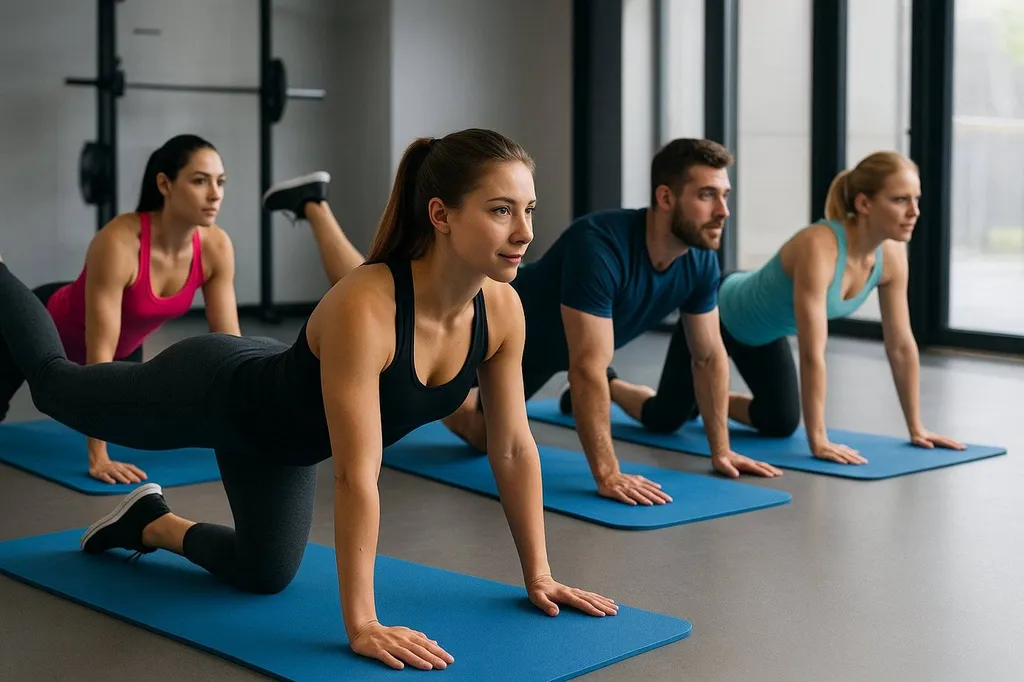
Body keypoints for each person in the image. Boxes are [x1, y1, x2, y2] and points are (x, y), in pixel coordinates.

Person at [0, 128, 617, 673]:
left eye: (529, 210)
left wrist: (540, 573)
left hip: (282, 443)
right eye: (502, 210)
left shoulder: (502, 309)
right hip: (215, 392)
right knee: (56, 385)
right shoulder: (368, 306)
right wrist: (362, 623)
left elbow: (510, 446)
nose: (526, 232)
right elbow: (355, 475)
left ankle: (148, 523)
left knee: (264, 574)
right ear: (441, 214)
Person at [439, 138, 782, 507]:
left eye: (725, 195)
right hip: (481, 332)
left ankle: (453, 401)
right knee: (438, 413)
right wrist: (608, 473)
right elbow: (587, 369)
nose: (723, 211)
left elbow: (709, 357)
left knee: (485, 437)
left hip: (541, 356)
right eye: (707, 196)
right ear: (665, 198)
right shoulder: (599, 244)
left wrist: (722, 452)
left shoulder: (699, 260)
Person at [605, 150, 965, 463]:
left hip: (764, 333)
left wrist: (918, 428)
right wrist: (818, 440)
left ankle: (706, 398)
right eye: (901, 200)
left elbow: (901, 345)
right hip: (722, 314)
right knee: (664, 418)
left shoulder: (892, 256)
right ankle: (610, 385)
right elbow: (813, 354)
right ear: (864, 203)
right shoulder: (819, 247)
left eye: (916, 199)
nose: (914, 211)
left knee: (779, 421)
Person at [0, 134, 241, 485]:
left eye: (220, 182)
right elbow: (99, 352)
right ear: (165, 183)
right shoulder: (119, 241)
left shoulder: (216, 246)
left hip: (123, 348)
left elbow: (229, 345)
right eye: (200, 181)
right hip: (46, 325)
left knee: (140, 427)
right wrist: (99, 457)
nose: (215, 193)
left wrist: (244, 433)